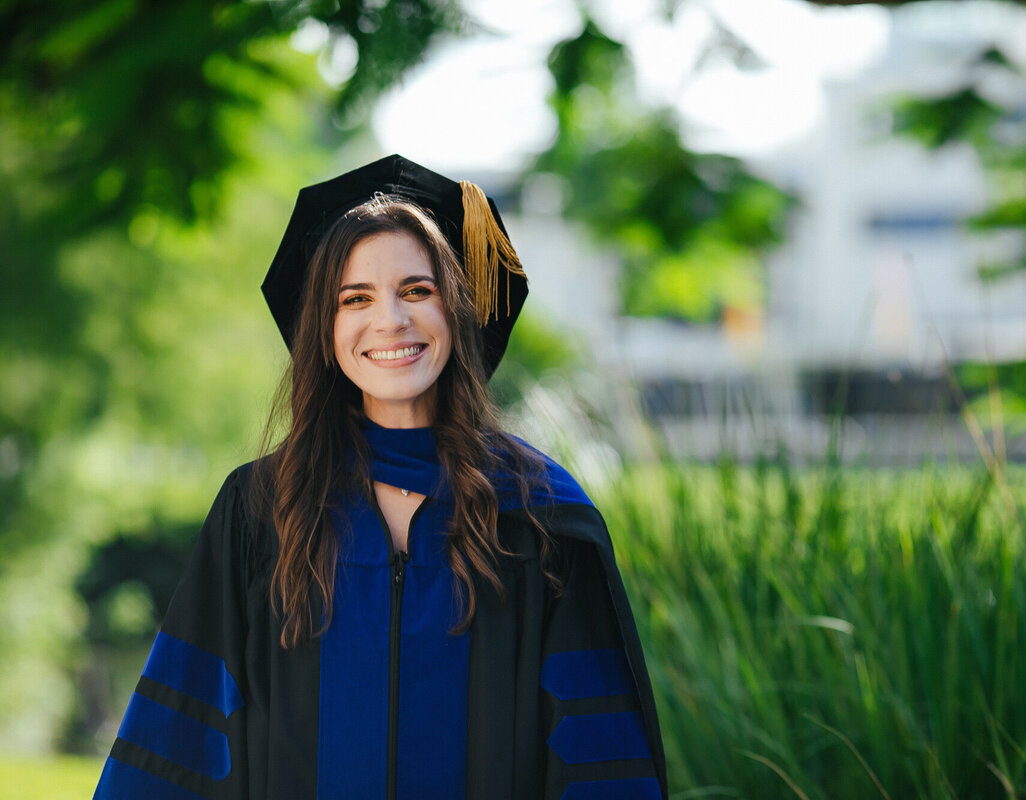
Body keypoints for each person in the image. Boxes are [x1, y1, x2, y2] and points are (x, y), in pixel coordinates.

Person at [92, 155, 667, 800]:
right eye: (354, 298)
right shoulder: (262, 509)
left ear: (458, 309)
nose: (390, 320)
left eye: (417, 291)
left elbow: (600, 761)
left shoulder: (539, 515)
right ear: (326, 330)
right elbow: (177, 741)